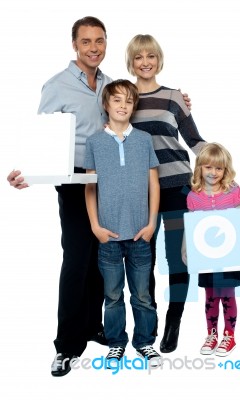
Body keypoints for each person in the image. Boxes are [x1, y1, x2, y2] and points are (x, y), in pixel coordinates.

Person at [6, 17, 191, 376]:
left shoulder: (109, 84)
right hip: (76, 180)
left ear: (106, 44)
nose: (94, 47)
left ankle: (99, 328)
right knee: (77, 260)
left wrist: (178, 102)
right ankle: (66, 345)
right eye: (86, 41)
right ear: (74, 44)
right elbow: (39, 135)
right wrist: (25, 170)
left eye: (100, 41)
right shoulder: (56, 85)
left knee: (102, 259)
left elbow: (136, 104)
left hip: (115, 182)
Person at [125, 34, 206, 353]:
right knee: (143, 259)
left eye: (151, 56)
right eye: (138, 57)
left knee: (178, 258)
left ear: (159, 59)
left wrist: (219, 160)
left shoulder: (174, 97)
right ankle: (150, 321)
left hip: (177, 188)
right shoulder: (123, 98)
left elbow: (194, 141)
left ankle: (174, 321)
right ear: (130, 62)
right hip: (140, 192)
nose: (145, 62)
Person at [84, 79, 161, 366]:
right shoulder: (94, 142)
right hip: (109, 236)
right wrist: (95, 226)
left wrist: (152, 223)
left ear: (134, 105)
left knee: (142, 295)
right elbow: (90, 187)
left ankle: (145, 342)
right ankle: (116, 342)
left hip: (141, 234)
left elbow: (153, 184)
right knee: (112, 296)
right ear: (106, 105)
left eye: (128, 100)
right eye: (116, 100)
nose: (123, 105)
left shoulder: (143, 140)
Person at [184, 142, 240, 356]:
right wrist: (186, 250)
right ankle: (211, 334)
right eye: (208, 167)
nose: (213, 172)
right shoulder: (194, 196)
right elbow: (191, 227)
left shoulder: (232, 191)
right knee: (211, 295)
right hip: (206, 256)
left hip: (230, 254)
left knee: (227, 293)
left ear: (225, 170)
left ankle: (229, 336)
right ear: (200, 168)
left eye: (218, 168)